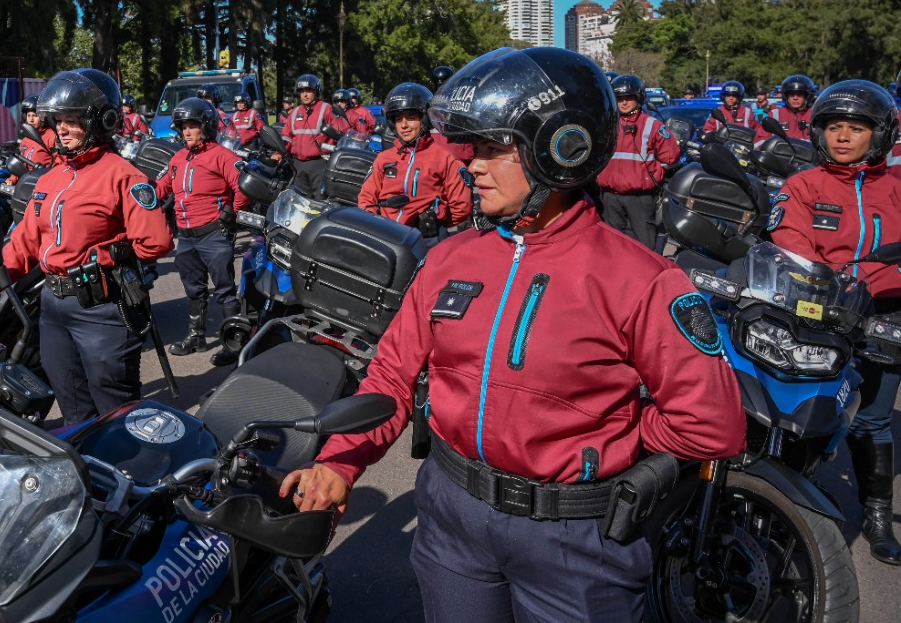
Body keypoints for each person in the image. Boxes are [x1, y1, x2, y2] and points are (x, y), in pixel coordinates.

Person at [280, 47, 746, 622]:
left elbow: (711, 425)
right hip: (451, 523)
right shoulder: (449, 260)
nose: (471, 165)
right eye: (472, 149)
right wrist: (340, 463)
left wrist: (607, 435)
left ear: (562, 149)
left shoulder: (643, 281)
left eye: (494, 149)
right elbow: (392, 376)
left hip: (576, 540)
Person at [0, 70, 173, 425]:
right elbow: (21, 248)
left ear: (101, 120)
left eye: (72, 120)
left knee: (116, 405)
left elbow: (156, 242)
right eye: (58, 120)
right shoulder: (50, 179)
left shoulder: (125, 176)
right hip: (53, 306)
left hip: (102, 307)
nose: (61, 128)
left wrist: (104, 253)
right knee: (72, 403)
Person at [767, 79, 901, 565]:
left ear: (880, 134)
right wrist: (835, 283)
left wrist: (876, 277)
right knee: (804, 415)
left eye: (857, 128)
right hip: (819, 314)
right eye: (835, 127)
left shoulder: (899, 187)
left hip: (885, 316)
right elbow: (788, 243)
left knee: (873, 419)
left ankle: (877, 514)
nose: (844, 137)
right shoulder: (802, 186)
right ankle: (792, 514)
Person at [155, 97, 249, 357]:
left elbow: (243, 185)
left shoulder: (223, 156)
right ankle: (195, 337)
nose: (186, 131)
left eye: (192, 125)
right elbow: (158, 188)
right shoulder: (177, 159)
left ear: (206, 126)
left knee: (224, 289)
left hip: (213, 234)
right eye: (183, 126)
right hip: (185, 237)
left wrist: (231, 212)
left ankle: (234, 342)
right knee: (193, 289)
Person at [358, 82, 471, 241]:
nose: (404, 125)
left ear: (424, 119)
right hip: (386, 235)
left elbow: (461, 207)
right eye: (398, 119)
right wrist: (373, 224)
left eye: (411, 118)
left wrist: (437, 225)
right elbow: (366, 198)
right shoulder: (384, 158)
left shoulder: (444, 159)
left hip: (426, 239)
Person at [596, 74, 681, 249]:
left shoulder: (653, 125)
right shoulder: (607, 124)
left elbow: (670, 156)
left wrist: (651, 176)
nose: (624, 103)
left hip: (640, 198)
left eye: (629, 98)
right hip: (610, 196)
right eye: (620, 99)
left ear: (639, 99)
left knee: (644, 245)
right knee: (611, 244)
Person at [280, 73, 348, 195]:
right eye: (302, 91)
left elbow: (341, 132)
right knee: (299, 201)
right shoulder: (294, 113)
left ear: (316, 92)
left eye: (308, 90)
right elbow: (286, 136)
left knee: (320, 199)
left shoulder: (326, 109)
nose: (305, 94)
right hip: (298, 165)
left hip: (319, 164)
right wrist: (279, 152)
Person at [767, 74, 815, 141]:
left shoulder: (815, 116)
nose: (795, 98)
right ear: (786, 96)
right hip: (781, 151)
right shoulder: (774, 115)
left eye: (799, 94)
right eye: (791, 94)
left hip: (808, 151)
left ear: (807, 96)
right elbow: (761, 140)